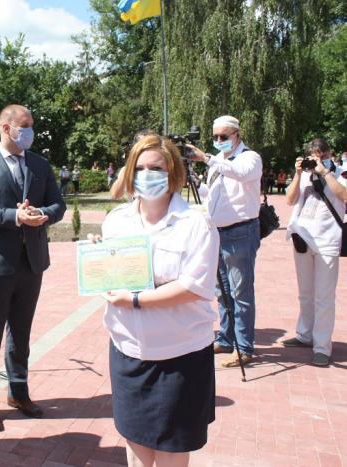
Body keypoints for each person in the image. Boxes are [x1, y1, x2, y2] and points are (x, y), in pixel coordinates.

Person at [97, 134, 219, 467]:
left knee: (172, 451)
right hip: (128, 351)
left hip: (179, 355)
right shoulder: (116, 221)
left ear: (173, 172)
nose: (147, 175)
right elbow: (111, 275)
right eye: (140, 168)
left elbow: (194, 287)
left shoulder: (196, 223)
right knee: (135, 446)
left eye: (156, 168)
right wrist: (97, 258)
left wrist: (135, 299)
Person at [0, 104, 66, 432]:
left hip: (31, 261)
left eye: (31, 126)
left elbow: (59, 204)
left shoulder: (39, 164)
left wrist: (42, 214)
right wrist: (15, 217)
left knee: (20, 333)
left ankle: (18, 392)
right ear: (6, 128)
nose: (30, 132)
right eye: (25, 126)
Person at [187, 115, 262, 367]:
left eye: (224, 136)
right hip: (216, 232)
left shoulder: (249, 158)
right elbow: (213, 194)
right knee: (222, 290)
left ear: (236, 135)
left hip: (240, 231)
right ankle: (226, 338)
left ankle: (244, 346)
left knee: (241, 291)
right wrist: (197, 183)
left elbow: (240, 174)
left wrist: (205, 158)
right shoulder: (218, 160)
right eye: (215, 137)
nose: (219, 140)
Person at [282, 138, 347, 367]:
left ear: (329, 154)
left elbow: (344, 195)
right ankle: (305, 334)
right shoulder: (305, 175)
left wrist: (325, 173)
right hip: (303, 239)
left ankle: (322, 347)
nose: (317, 160)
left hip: (327, 241)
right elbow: (290, 200)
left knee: (324, 297)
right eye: (313, 156)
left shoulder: (339, 174)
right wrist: (298, 173)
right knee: (305, 293)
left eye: (322, 155)